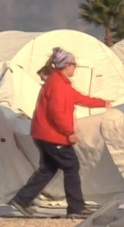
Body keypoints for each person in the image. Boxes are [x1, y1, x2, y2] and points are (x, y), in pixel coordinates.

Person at [9, 48, 112, 218]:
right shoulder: (58, 85)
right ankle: (76, 207)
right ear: (67, 66)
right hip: (52, 136)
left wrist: (102, 103)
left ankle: (21, 200)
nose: (75, 68)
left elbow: (78, 98)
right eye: (74, 65)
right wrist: (69, 132)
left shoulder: (60, 83)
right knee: (71, 166)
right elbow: (56, 113)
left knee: (48, 169)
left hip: (43, 134)